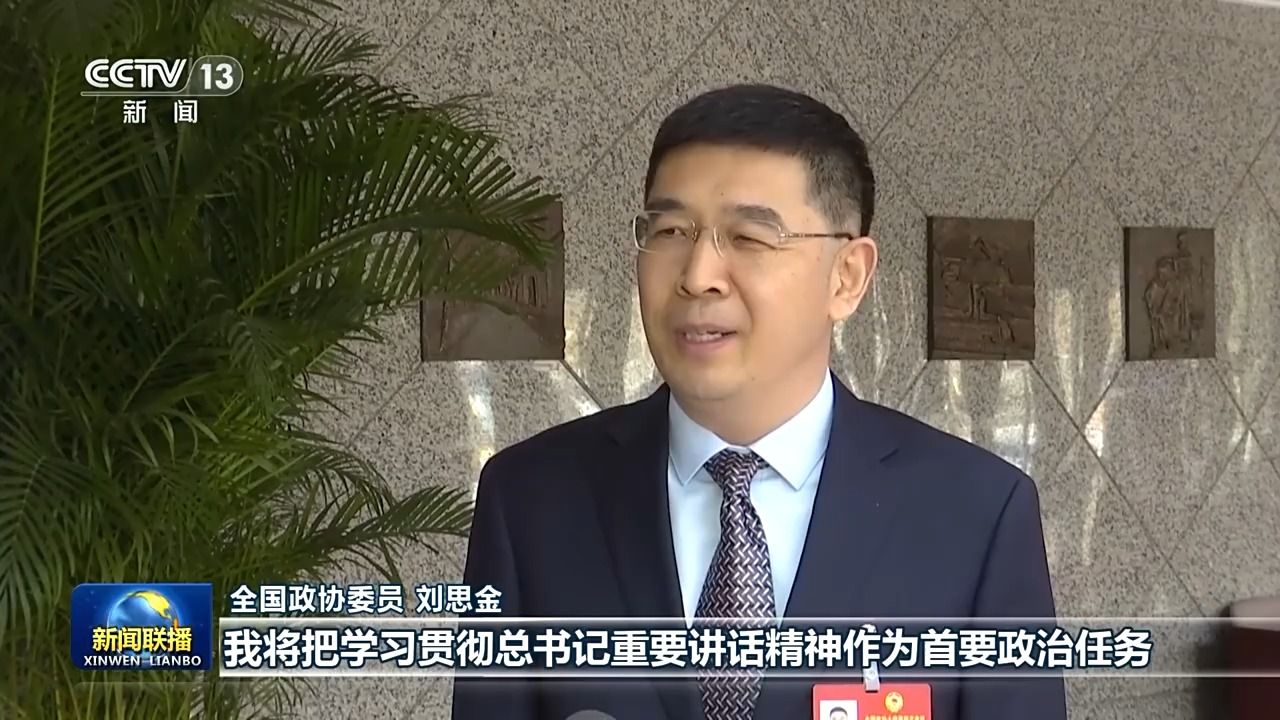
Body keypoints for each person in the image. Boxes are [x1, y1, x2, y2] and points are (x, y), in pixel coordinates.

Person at [451, 83, 1066, 720]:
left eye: (749, 237)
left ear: (847, 277)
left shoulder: (977, 515)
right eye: (670, 231)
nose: (697, 276)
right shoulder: (530, 499)